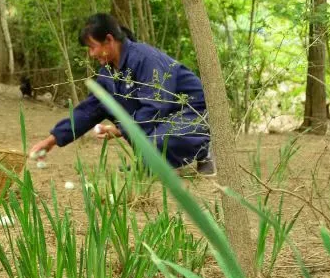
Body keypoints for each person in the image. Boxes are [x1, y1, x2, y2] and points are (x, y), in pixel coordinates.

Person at [29, 13, 215, 176]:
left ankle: (203, 147)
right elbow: (88, 111)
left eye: (92, 47)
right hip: (162, 121)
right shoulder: (108, 73)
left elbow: (156, 106)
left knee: (157, 141)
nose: (91, 54)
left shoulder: (146, 59)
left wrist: (119, 130)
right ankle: (154, 161)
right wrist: (51, 140)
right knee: (119, 112)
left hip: (192, 114)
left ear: (109, 40)